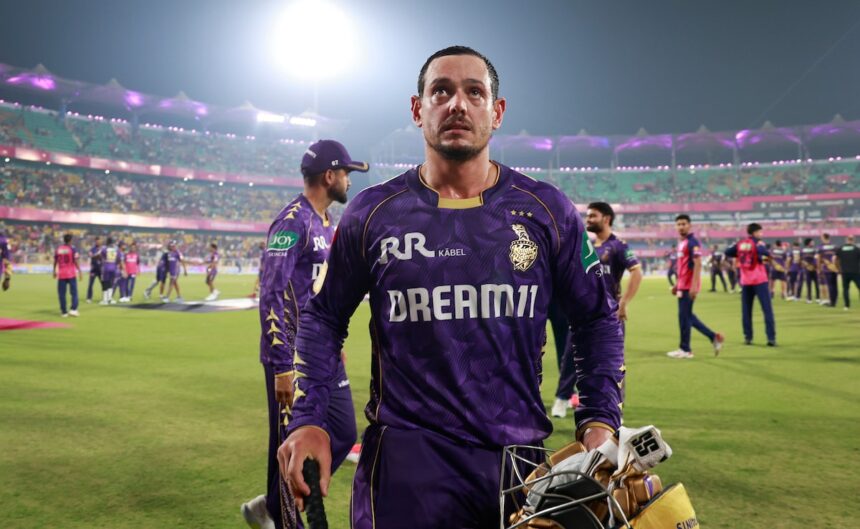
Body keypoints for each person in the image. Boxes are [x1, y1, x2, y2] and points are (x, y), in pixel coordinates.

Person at [276, 46, 623, 529]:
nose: (458, 103)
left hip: (517, 465)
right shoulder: (373, 213)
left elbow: (597, 319)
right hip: (403, 469)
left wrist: (600, 421)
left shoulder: (546, 210)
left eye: (474, 92)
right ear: (417, 109)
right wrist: (310, 417)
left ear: (496, 112)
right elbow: (323, 316)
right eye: (441, 91)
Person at [242, 140, 363, 529]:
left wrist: (334, 343)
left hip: (321, 351)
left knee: (342, 430)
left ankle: (269, 507)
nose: (348, 180)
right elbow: (271, 293)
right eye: (345, 173)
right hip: (291, 358)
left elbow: (319, 294)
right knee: (290, 445)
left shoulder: (325, 222)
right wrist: (281, 366)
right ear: (329, 176)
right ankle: (281, 516)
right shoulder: (292, 221)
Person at [552, 201, 641, 418]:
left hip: (610, 314)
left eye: (593, 216)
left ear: (606, 219)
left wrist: (624, 303)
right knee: (571, 358)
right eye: (588, 216)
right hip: (582, 312)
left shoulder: (619, 245)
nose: (589, 220)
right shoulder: (587, 246)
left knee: (613, 363)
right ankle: (562, 399)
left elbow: (636, 272)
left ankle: (614, 408)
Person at [667, 214, 724, 359]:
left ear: (690, 225)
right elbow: (683, 267)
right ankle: (713, 337)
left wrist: (693, 286)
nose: (681, 227)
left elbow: (698, 264)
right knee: (686, 316)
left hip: (688, 287)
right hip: (683, 285)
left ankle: (685, 349)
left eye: (684, 224)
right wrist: (677, 285)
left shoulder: (692, 242)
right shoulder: (682, 243)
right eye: (679, 224)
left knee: (684, 318)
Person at [725, 223, 776, 346]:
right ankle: (771, 338)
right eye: (760, 232)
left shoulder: (740, 244)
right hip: (760, 280)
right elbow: (768, 256)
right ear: (755, 233)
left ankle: (748, 337)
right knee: (767, 309)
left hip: (746, 281)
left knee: (746, 311)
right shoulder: (758, 244)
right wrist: (761, 258)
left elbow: (727, 252)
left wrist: (739, 254)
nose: (761, 234)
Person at [54, 233, 83, 317]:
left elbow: (55, 261)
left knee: (62, 294)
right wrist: (80, 271)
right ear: (70, 240)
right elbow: (76, 261)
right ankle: (73, 309)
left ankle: (64, 312)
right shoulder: (73, 249)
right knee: (74, 293)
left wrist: (54, 271)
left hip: (62, 274)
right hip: (71, 274)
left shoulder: (59, 249)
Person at [836, 235, 859, 310]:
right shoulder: (857, 249)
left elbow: (836, 260)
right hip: (856, 272)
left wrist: (838, 269)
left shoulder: (841, 249)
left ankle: (846, 305)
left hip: (844, 272)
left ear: (846, 240)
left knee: (845, 289)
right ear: (853, 240)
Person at [99, 237, 123, 305]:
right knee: (111, 283)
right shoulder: (117, 250)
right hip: (114, 267)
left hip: (106, 267)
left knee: (105, 283)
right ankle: (110, 298)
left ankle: (105, 300)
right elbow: (119, 259)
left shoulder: (104, 249)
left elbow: (102, 256)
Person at [817, 233, 839, 307]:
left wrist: (819, 269)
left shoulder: (821, 247)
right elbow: (837, 258)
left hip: (826, 269)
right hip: (834, 269)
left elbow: (819, 259)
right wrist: (838, 268)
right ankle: (834, 301)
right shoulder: (834, 246)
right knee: (835, 285)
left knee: (830, 285)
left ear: (824, 238)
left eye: (821, 237)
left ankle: (831, 302)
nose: (821, 238)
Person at [800, 238, 819, 303]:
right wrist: (806, 265)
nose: (813, 243)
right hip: (807, 269)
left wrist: (814, 266)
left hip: (814, 269)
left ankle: (818, 297)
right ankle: (809, 298)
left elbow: (816, 259)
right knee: (808, 284)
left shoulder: (815, 250)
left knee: (817, 283)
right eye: (812, 242)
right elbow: (801, 259)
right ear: (809, 243)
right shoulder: (802, 250)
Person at [85, 236, 103, 303]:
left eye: (99, 241)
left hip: (101, 269)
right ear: (95, 242)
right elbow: (90, 256)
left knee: (103, 284)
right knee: (90, 284)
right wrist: (97, 255)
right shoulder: (92, 249)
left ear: (101, 241)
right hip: (93, 269)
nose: (98, 242)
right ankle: (89, 298)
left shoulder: (103, 249)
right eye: (97, 241)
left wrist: (99, 256)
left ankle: (104, 298)